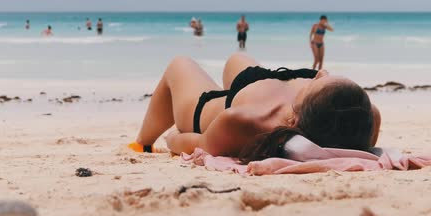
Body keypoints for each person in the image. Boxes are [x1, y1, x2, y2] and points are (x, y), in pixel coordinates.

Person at [128, 53, 381, 162]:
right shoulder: (362, 114)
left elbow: (192, 142)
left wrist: (171, 138)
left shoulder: (249, 120)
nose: (321, 73)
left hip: (208, 110)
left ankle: (142, 142)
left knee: (179, 64)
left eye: (319, 81)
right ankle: (239, 84)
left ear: (293, 119)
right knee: (236, 59)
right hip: (259, 83)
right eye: (323, 76)